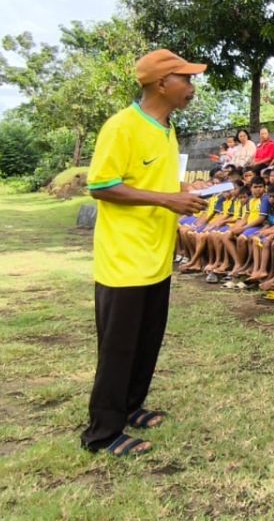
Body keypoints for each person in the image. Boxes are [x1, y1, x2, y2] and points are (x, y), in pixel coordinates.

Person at [80, 48, 208, 457]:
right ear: (161, 84)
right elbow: (101, 186)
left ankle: (131, 407)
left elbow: (156, 183)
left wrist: (181, 193)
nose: (192, 87)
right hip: (125, 258)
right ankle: (102, 433)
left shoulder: (167, 129)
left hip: (157, 255)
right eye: (186, 79)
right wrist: (167, 201)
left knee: (146, 340)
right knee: (118, 346)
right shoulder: (122, 126)